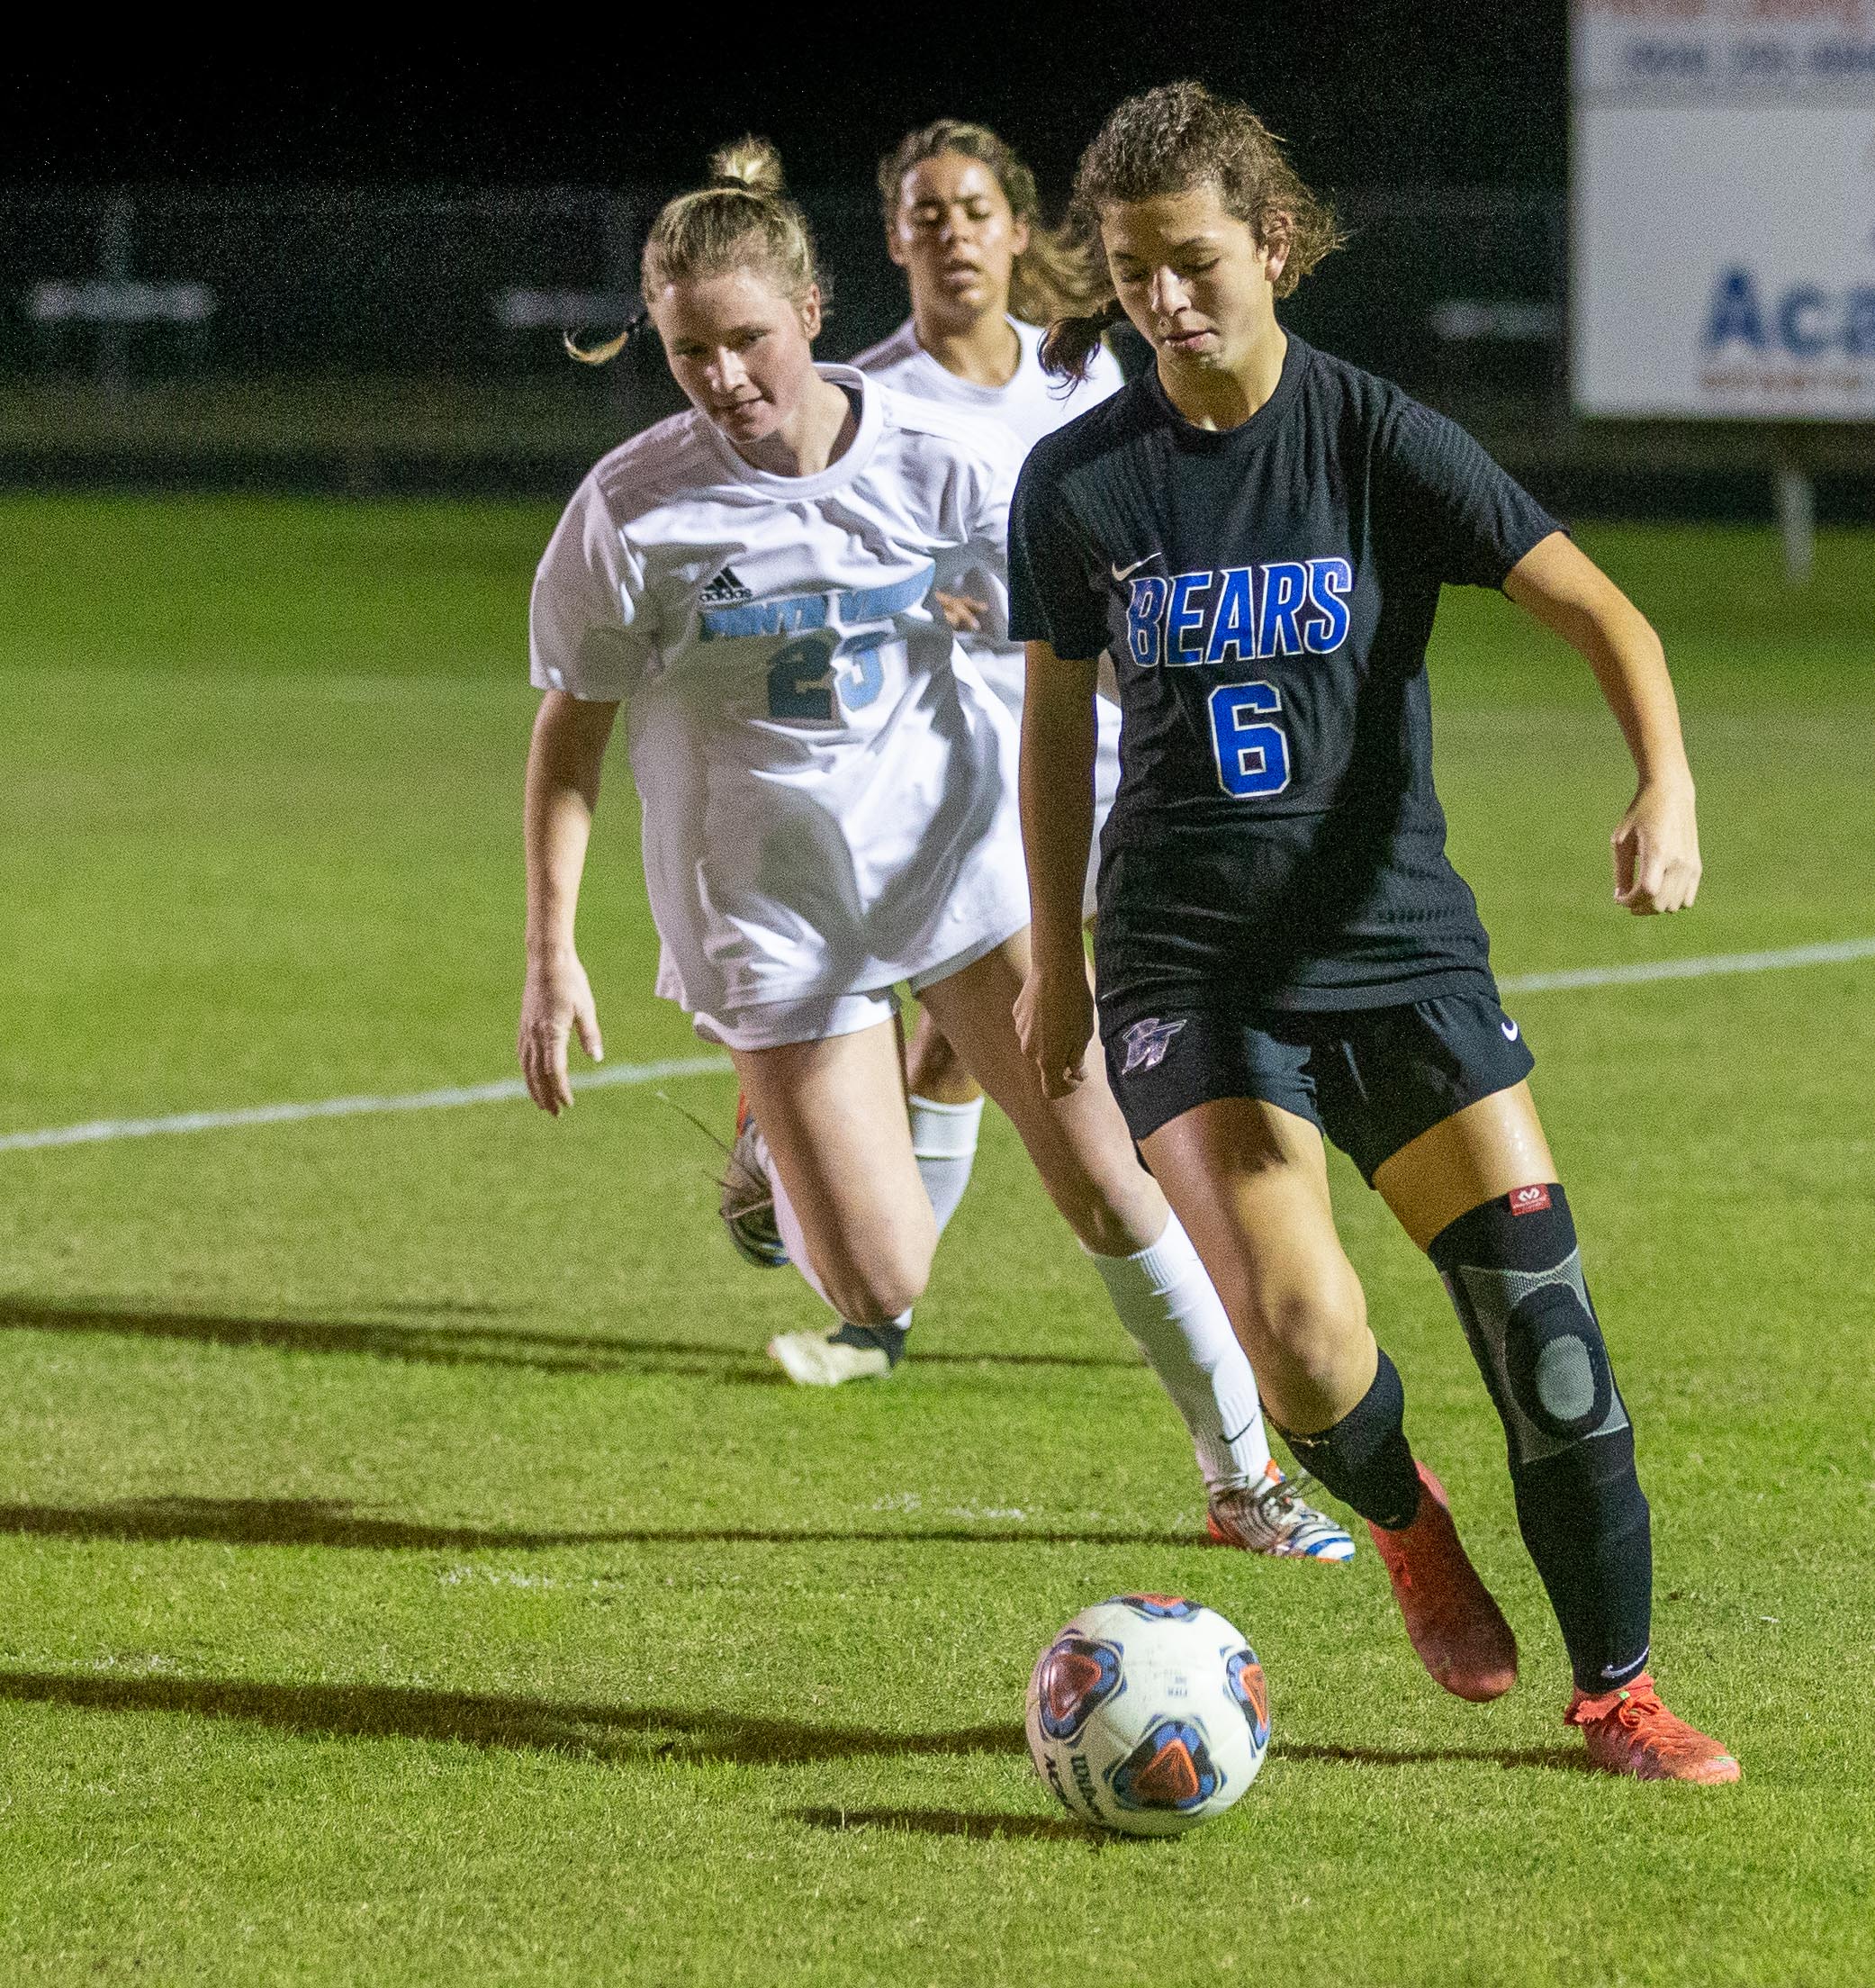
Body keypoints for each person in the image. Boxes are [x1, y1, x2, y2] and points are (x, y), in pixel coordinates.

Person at [1010, 82, 1738, 1779]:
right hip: (1192, 969)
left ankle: (1618, 1694)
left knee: (1549, 1347)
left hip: (1402, 949)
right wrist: (1061, 947)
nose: (1164, 304)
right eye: (1130, 276)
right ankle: (1408, 1525)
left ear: (1274, 248)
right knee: (1302, 1332)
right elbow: (1056, 732)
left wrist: (1669, 783)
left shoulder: (1371, 435)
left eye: (1193, 263)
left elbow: (1597, 605)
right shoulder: (1078, 486)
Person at [518, 137, 1352, 1561]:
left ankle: (1241, 1481)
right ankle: (779, 1141)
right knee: (877, 1277)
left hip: (956, 869)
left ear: (810, 313)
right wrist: (550, 956)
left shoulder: (945, 462)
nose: (723, 380)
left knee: (1105, 1169)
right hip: (769, 916)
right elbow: (570, 737)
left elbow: (1056, 641)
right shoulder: (632, 511)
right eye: (687, 353)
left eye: (746, 342)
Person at [845, 118, 1126, 1278]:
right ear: (896, 242)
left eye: (972, 212)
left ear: (1016, 229)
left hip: (1112, 740)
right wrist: (930, 607)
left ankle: (854, 1250)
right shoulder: (860, 402)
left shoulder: (1082, 369)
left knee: (965, 1051)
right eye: (926, 216)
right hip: (971, 769)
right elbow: (839, 595)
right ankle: (876, 1291)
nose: (951, 234)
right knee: (1042, 1035)